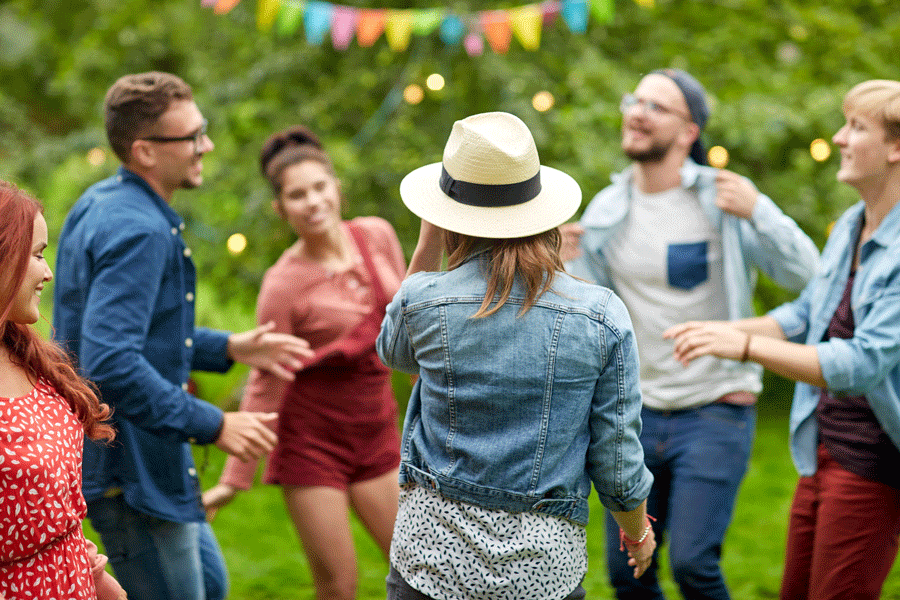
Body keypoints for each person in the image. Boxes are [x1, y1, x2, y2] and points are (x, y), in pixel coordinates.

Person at [51, 72, 315, 600]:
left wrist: (229, 347)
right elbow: (109, 362)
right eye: (192, 137)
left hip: (150, 468)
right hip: (133, 475)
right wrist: (213, 423)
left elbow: (132, 333)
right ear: (145, 151)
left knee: (212, 587)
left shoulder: (105, 200)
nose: (206, 146)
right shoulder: (140, 230)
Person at [377, 111, 656, 600]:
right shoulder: (601, 315)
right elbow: (616, 461)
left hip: (431, 565)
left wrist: (426, 244)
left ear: (446, 216)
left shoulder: (422, 301)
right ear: (541, 211)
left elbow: (394, 354)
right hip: (543, 572)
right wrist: (637, 532)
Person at [565, 68, 820, 600]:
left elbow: (812, 277)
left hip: (715, 405)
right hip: (634, 413)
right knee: (625, 573)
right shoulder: (606, 213)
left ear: (688, 131)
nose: (637, 111)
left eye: (656, 106)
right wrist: (564, 267)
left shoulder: (721, 201)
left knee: (692, 563)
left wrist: (761, 210)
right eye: (634, 99)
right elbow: (589, 316)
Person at [666, 79, 900, 600]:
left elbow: (861, 364)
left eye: (856, 127)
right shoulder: (851, 228)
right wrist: (726, 330)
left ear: (895, 147)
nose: (839, 138)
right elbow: (805, 314)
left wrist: (746, 349)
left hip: (873, 461)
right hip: (820, 446)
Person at [200, 125, 405, 600]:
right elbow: (266, 379)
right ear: (280, 209)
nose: (312, 202)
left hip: (376, 431)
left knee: (418, 570)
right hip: (312, 444)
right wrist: (233, 481)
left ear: (338, 188)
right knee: (339, 585)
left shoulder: (376, 236)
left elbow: (409, 329)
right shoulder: (284, 284)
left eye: (319, 187)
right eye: (297, 195)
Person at [0, 180, 126, 600]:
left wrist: (93, 572)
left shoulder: (23, 351)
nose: (47, 272)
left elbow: (53, 506)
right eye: (36, 254)